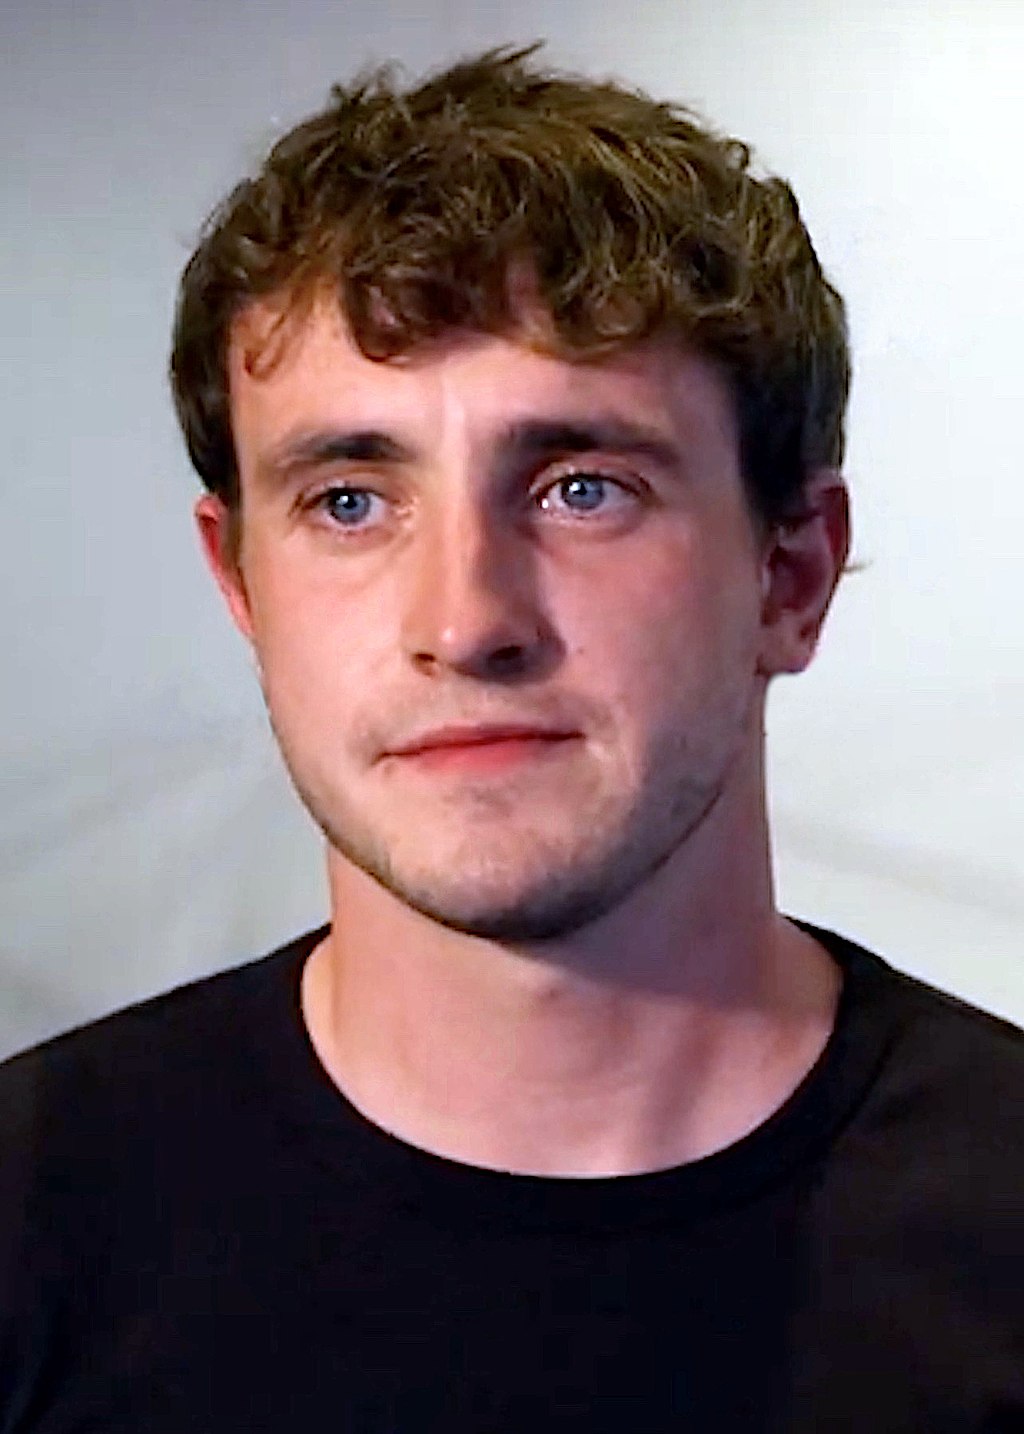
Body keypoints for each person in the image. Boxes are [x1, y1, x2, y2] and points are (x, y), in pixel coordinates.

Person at [1, 45, 1020, 1432]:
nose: (466, 620)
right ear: (240, 581)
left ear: (789, 576)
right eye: (351, 500)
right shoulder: (30, 1219)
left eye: (583, 486)